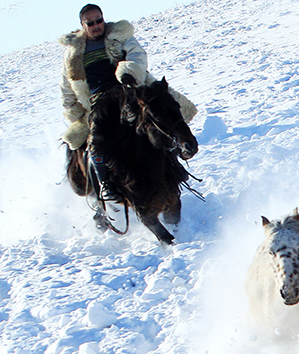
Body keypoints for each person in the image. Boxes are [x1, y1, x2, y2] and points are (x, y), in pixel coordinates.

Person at [58, 4, 197, 204]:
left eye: (99, 20)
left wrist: (129, 72)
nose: (97, 25)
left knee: (159, 118)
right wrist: (73, 111)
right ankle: (105, 184)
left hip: (128, 89)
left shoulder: (119, 35)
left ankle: (173, 164)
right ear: (82, 25)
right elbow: (67, 85)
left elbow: (137, 55)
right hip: (99, 101)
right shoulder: (74, 53)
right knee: (96, 139)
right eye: (91, 23)